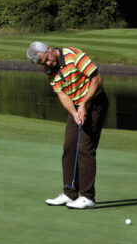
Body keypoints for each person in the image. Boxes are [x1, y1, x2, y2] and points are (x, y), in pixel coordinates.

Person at [27, 41, 109, 209]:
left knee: (85, 148)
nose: (48, 64)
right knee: (69, 147)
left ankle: (88, 197)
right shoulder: (49, 70)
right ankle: (70, 193)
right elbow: (62, 94)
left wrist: (84, 104)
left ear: (49, 49)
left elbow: (97, 78)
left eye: (47, 59)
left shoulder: (74, 56)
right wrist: (74, 112)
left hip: (95, 103)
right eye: (44, 63)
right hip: (77, 106)